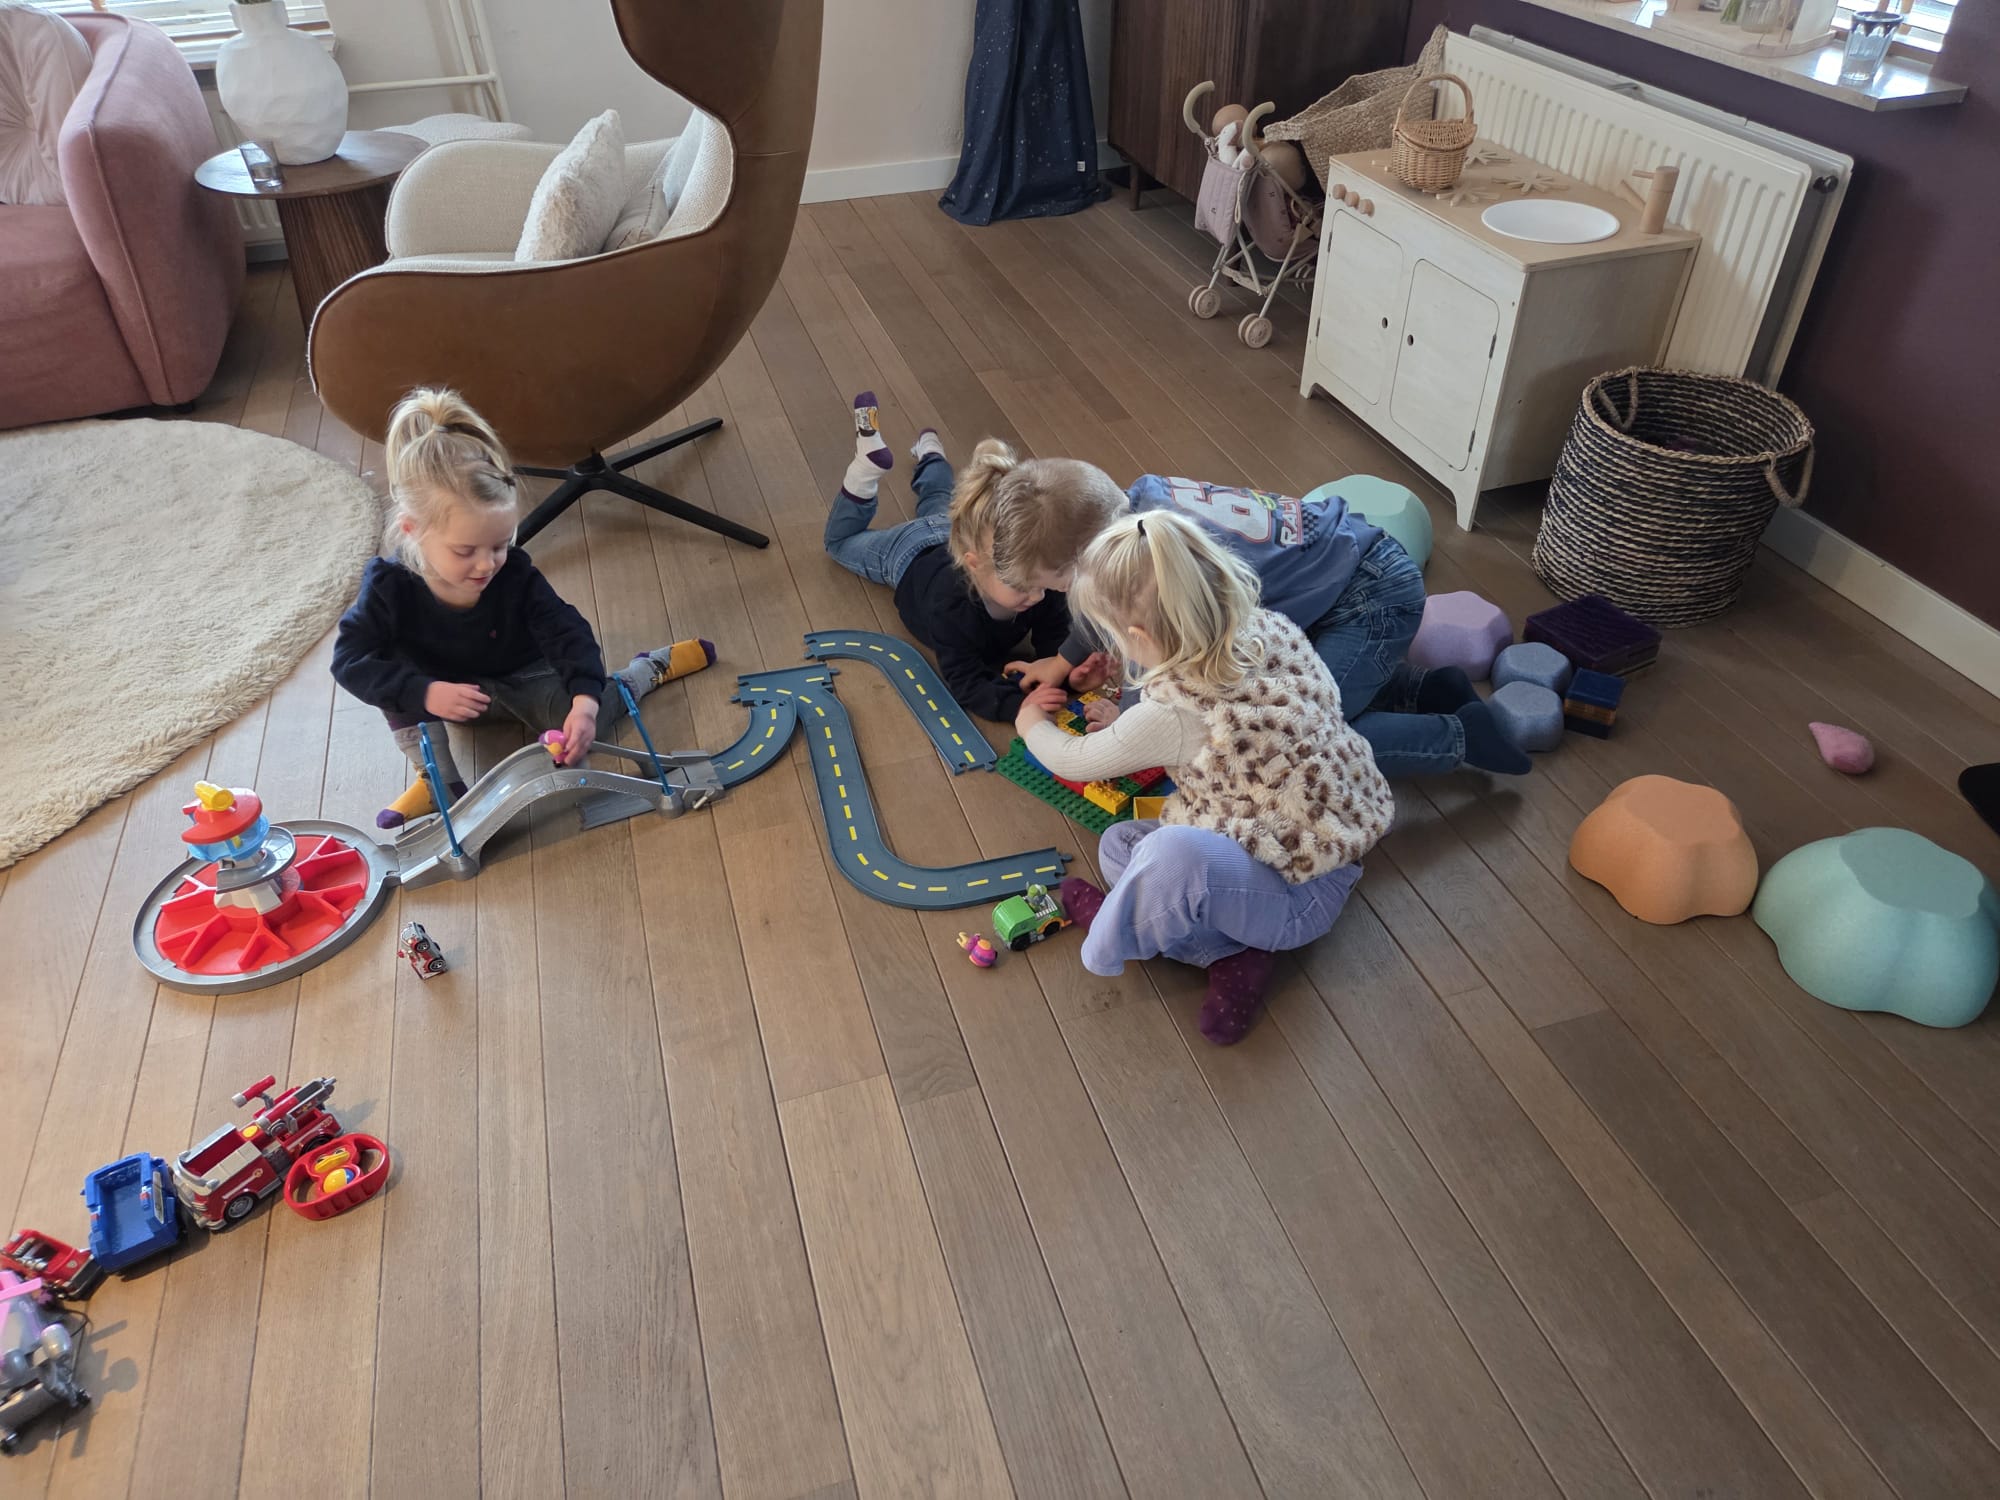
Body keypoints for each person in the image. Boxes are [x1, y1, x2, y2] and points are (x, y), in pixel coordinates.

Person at [1020, 511, 1393, 1045]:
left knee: (1166, 858)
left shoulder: (1172, 713)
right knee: (1122, 843)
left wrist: (1030, 721)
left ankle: (1128, 936)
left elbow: (1075, 759)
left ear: (1137, 635)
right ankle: (1236, 952)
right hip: (1322, 837)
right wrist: (1126, 718)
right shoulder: (1268, 628)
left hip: (1301, 893)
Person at [969, 448, 1529, 778]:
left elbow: (1172, 664)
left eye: (1061, 586)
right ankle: (1425, 690)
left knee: (1294, 737)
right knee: (1300, 687)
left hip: (1369, 600)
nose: (1061, 599)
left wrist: (1133, 717)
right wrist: (1061, 660)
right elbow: (1110, 606)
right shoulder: (1139, 514)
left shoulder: (1162, 577)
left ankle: (1456, 738)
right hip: (1348, 572)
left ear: (1094, 558)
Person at [332, 387, 715, 830]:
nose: (485, 564)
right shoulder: (389, 584)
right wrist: (424, 692)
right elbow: (349, 661)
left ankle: (642, 673)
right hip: (450, 694)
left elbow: (567, 631)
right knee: (387, 667)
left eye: (499, 544)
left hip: (522, 676)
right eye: (465, 550)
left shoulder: (513, 573)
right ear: (412, 531)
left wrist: (585, 705)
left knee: (574, 720)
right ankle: (435, 778)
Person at [822, 392, 1100, 722]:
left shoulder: (1038, 580)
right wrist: (1020, 706)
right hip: (906, 553)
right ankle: (864, 471)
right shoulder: (950, 609)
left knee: (941, 498)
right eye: (1024, 587)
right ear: (974, 565)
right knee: (839, 542)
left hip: (953, 528)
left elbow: (1054, 637)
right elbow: (966, 683)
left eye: (1042, 586)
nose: (1037, 596)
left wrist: (1069, 674)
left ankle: (930, 452)